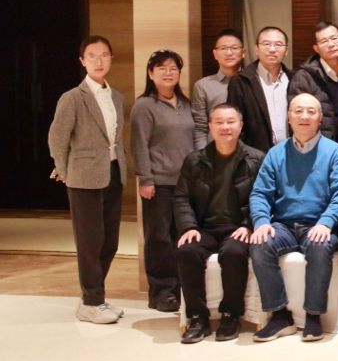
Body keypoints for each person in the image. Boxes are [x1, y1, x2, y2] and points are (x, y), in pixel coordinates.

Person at [248, 93, 338, 342]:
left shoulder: (335, 152)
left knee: (319, 246)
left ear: (320, 118)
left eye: (311, 111)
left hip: (319, 224)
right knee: (260, 244)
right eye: (298, 111)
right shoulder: (276, 153)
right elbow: (260, 193)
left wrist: (326, 222)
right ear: (289, 117)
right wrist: (261, 221)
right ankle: (279, 316)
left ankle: (313, 316)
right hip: (282, 225)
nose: (304, 116)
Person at [48, 35, 127, 324]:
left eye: (104, 55)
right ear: (82, 61)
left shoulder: (116, 96)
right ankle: (92, 301)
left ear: (111, 59)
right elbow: (57, 138)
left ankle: (94, 298)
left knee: (110, 242)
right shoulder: (72, 97)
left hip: (113, 173)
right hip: (83, 178)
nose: (99, 60)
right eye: (92, 55)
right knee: (90, 242)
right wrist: (65, 170)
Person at [173, 103, 263, 343]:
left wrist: (249, 224)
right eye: (219, 122)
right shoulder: (194, 160)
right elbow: (181, 197)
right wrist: (188, 227)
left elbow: (264, 197)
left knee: (234, 253)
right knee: (187, 251)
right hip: (204, 228)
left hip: (238, 228)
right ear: (210, 126)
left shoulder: (256, 159)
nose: (225, 127)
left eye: (231, 122)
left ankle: (231, 315)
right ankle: (198, 318)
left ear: (240, 125)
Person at [130, 49, 196, 313]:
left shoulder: (186, 104)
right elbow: (139, 144)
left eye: (173, 68)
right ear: (150, 73)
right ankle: (162, 292)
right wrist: (145, 179)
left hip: (187, 183)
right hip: (158, 183)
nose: (168, 73)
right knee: (159, 238)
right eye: (162, 68)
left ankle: (183, 289)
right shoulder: (144, 106)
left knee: (184, 236)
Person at [289, 21, 338, 142]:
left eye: (334, 38)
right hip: (317, 145)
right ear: (316, 48)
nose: (331, 44)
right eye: (324, 41)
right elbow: (298, 118)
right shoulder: (304, 77)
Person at [227, 26, 291, 153]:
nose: (272, 49)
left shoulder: (295, 79)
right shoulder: (241, 81)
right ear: (256, 49)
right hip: (256, 156)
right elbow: (234, 124)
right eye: (266, 44)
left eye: (278, 44)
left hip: (291, 154)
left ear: (286, 51)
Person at [193, 28, 245, 149]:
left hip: (246, 153)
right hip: (213, 152)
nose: (229, 53)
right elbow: (200, 127)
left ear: (243, 52)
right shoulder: (203, 86)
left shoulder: (252, 82)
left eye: (234, 48)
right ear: (215, 54)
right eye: (223, 48)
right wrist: (202, 155)